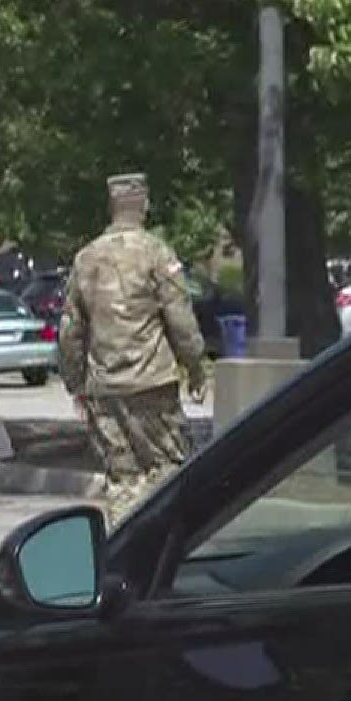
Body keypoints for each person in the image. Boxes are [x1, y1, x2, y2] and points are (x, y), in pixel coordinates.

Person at [58, 172, 208, 523]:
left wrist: (75, 382)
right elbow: (180, 321)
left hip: (105, 388)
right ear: (144, 205)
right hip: (152, 384)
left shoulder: (86, 259)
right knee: (168, 469)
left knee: (123, 478)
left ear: (111, 206)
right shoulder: (156, 253)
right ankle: (166, 547)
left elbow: (70, 332)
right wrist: (196, 367)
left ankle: (125, 546)